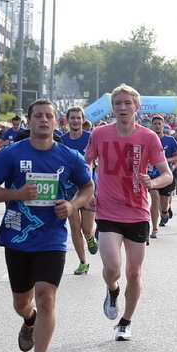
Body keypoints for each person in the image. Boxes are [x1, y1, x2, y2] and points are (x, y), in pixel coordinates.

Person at [0, 99, 94, 352]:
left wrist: (71, 206)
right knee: (22, 303)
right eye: (38, 116)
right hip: (17, 237)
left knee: (46, 297)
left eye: (49, 116)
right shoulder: (12, 155)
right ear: (29, 121)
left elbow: (87, 187)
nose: (44, 120)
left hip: (52, 239)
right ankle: (28, 320)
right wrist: (16, 195)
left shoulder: (69, 156)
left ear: (57, 122)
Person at [84, 84, 172, 341]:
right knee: (112, 268)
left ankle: (125, 322)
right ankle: (112, 289)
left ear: (137, 106)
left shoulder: (148, 137)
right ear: (112, 107)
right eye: (118, 103)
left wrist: (152, 183)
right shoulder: (99, 134)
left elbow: (166, 174)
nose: (122, 107)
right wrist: (88, 193)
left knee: (134, 272)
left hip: (137, 212)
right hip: (108, 211)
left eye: (127, 103)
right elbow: (85, 163)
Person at [61, 106, 98, 275]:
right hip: (68, 190)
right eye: (72, 118)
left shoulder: (92, 138)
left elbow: (101, 159)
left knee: (87, 228)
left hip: (88, 188)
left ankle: (90, 238)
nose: (75, 120)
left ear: (83, 120)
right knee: (74, 226)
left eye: (78, 118)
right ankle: (83, 261)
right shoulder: (61, 140)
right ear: (67, 120)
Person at [149, 117, 177, 237]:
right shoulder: (147, 139)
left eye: (159, 124)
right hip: (152, 176)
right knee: (154, 199)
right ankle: (154, 228)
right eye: (155, 124)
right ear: (152, 125)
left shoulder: (170, 140)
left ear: (163, 125)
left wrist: (165, 160)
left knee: (164, 204)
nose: (157, 126)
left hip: (165, 175)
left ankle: (164, 212)